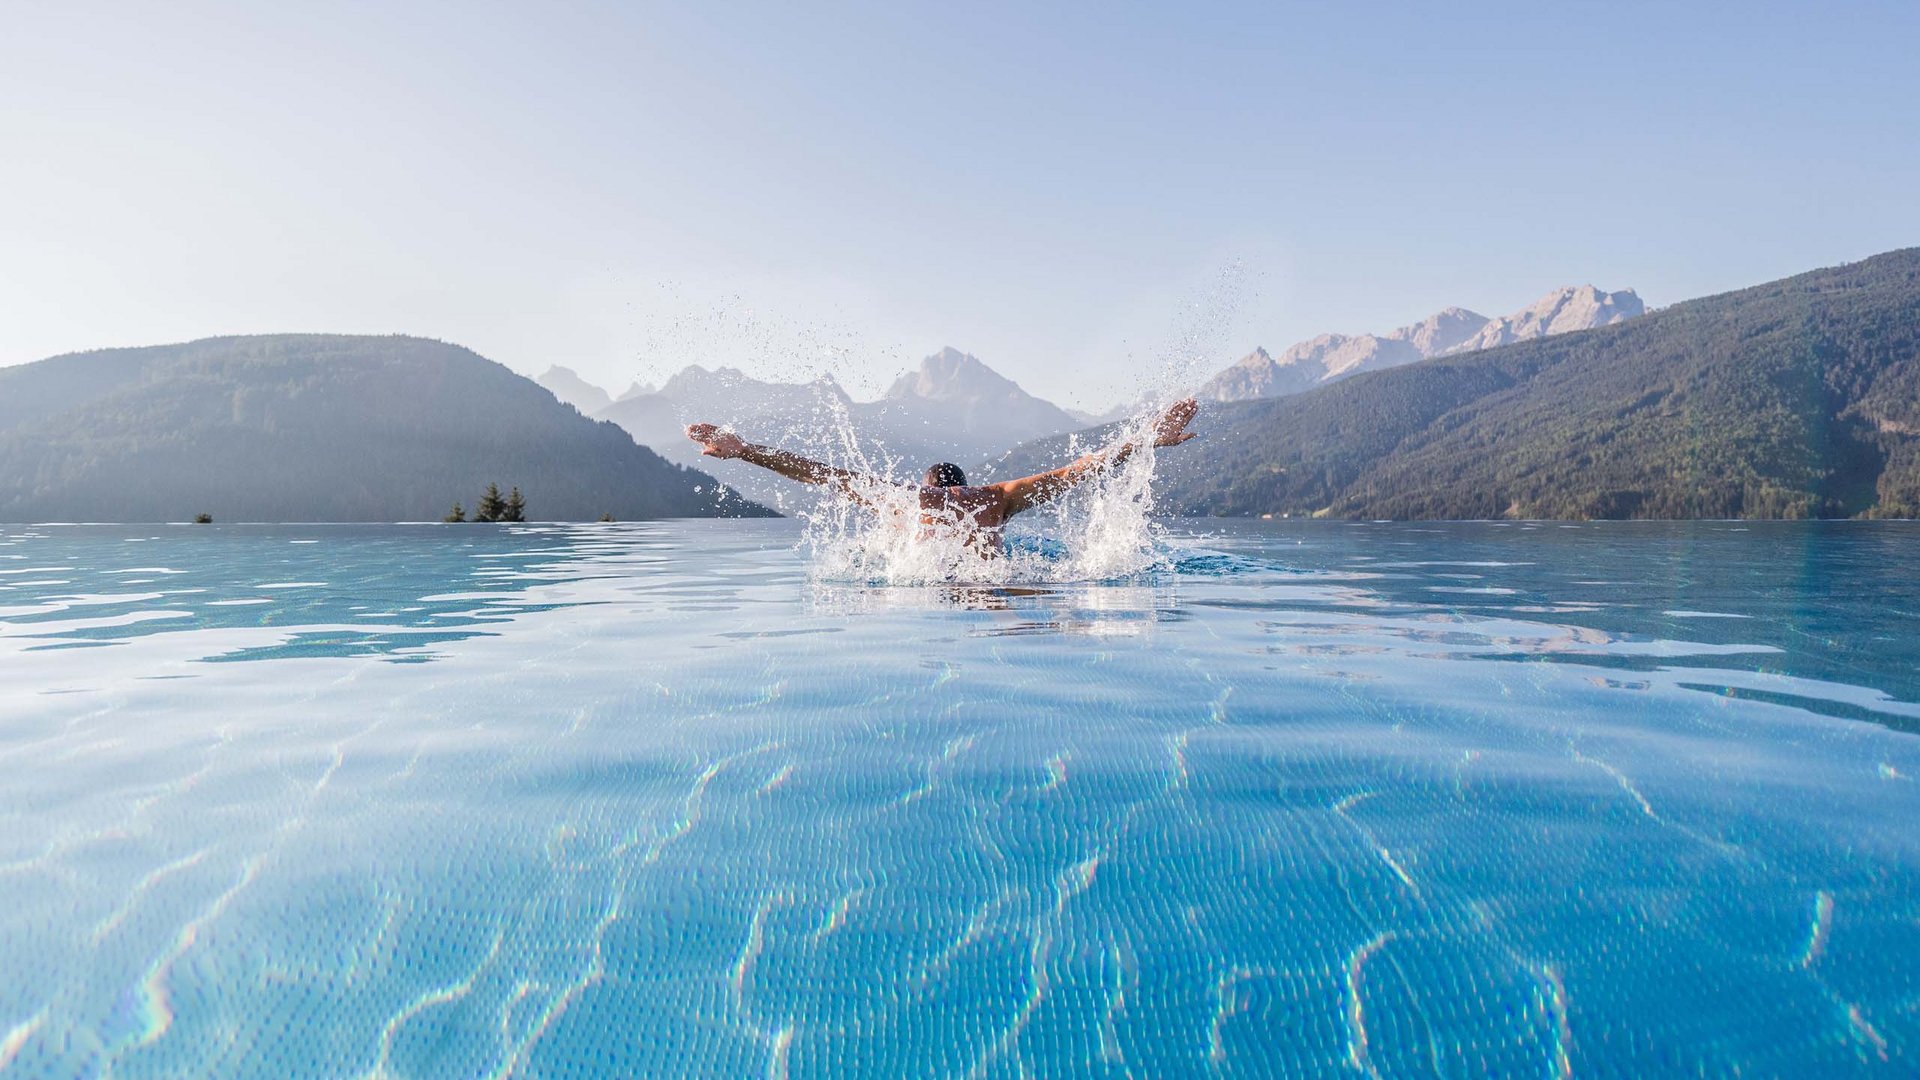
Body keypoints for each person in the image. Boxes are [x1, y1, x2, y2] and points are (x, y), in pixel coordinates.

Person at [685, 398, 1199, 554]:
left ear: (929, 485)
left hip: (922, 581)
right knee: (1006, 605)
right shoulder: (995, 499)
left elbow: (819, 474)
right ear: (962, 483)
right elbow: (1080, 470)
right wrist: (1146, 438)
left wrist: (744, 450)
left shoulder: (907, 502)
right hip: (994, 576)